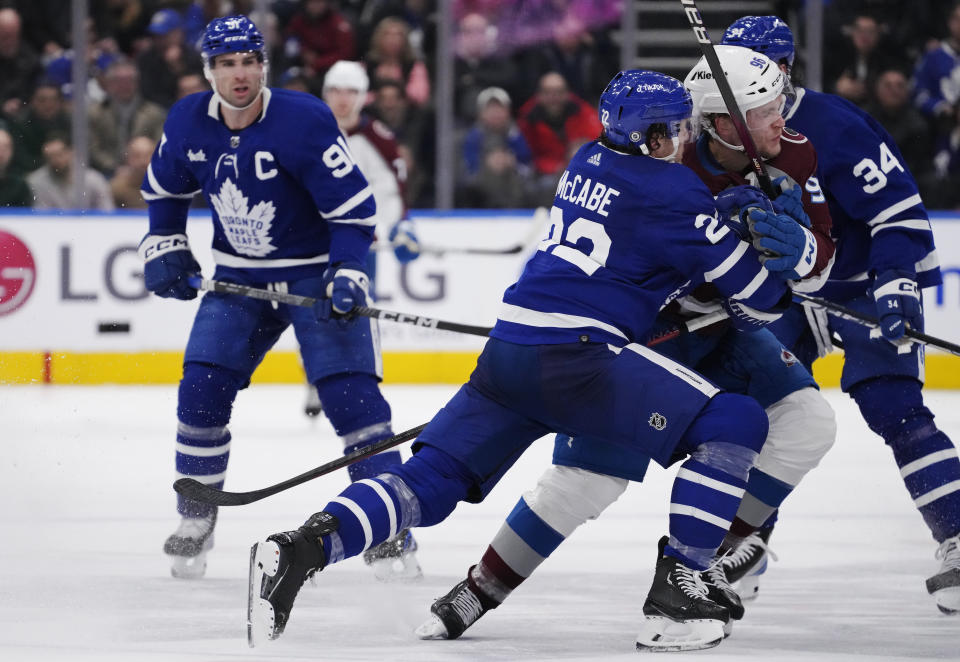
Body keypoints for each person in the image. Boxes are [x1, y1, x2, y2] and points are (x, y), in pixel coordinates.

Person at [247, 69, 795, 652]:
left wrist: (714, 218)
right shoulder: (674, 192)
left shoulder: (586, 161)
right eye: (675, 130)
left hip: (508, 353)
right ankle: (681, 585)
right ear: (653, 137)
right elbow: (762, 296)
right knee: (736, 422)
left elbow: (649, 244)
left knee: (427, 484)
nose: (682, 141)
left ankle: (301, 547)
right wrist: (760, 229)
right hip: (580, 359)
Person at [415, 46, 840, 642]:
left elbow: (814, 268)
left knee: (808, 420)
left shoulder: (792, 151)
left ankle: (706, 563)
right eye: (767, 108)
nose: (783, 120)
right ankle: (478, 589)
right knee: (587, 478)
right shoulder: (663, 160)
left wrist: (802, 254)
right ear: (724, 122)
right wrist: (740, 276)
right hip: (643, 337)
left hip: (724, 330)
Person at [140, 15, 411, 581]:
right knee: (200, 391)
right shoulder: (188, 119)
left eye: (249, 62)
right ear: (207, 69)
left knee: (354, 404)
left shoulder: (304, 119)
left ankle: (391, 530)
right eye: (227, 64)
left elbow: (355, 213)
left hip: (313, 278)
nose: (240, 75)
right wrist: (163, 242)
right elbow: (166, 190)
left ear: (264, 64)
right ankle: (197, 519)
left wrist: (348, 271)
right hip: (239, 279)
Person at [722, 15, 960, 615]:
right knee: (754, 416)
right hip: (785, 295)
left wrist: (897, 288)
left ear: (780, 70)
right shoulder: (720, 132)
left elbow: (898, 213)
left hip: (858, 286)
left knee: (893, 406)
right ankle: (737, 555)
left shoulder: (835, 125)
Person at [28, 134, 114, 211]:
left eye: (59, 155)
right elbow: (40, 217)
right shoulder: (36, 182)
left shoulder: (94, 180)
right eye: (49, 157)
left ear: (71, 152)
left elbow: (106, 213)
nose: (55, 160)